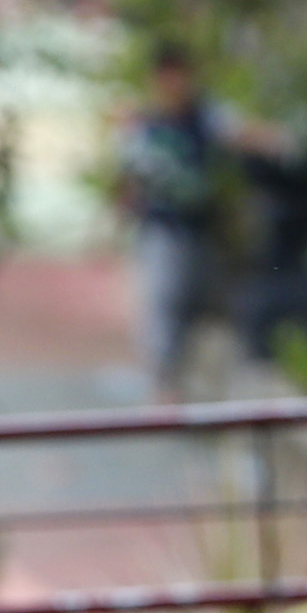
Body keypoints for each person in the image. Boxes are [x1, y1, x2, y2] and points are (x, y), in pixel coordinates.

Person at [116, 48, 229, 396]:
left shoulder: (205, 117)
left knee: (197, 306)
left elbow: (241, 133)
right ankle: (164, 385)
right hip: (162, 229)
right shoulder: (142, 122)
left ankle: (182, 381)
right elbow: (130, 175)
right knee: (164, 302)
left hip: (200, 228)